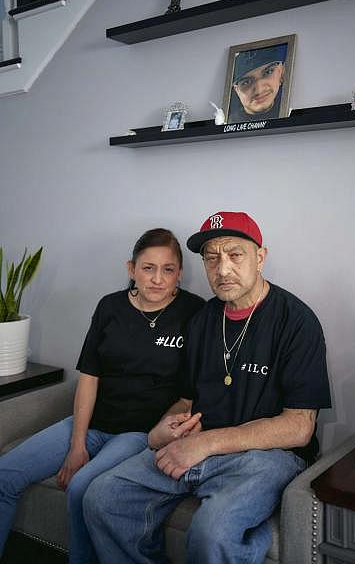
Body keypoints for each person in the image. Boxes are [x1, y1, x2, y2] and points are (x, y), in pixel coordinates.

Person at [83, 211, 332, 564]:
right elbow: (185, 399)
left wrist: (207, 443)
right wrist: (163, 429)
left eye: (235, 254)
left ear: (260, 257)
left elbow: (299, 427)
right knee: (103, 497)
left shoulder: (296, 320)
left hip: (266, 457)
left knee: (212, 531)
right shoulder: (202, 320)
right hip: (198, 448)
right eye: (211, 257)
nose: (223, 268)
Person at [0, 228, 204, 564]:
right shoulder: (110, 306)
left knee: (82, 489)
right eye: (147, 268)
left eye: (168, 269)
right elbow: (89, 378)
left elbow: (189, 395)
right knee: (5, 474)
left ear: (179, 273)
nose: (157, 279)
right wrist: (77, 444)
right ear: (131, 269)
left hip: (141, 433)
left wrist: (158, 434)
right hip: (93, 423)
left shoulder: (194, 313)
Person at [228, 44, 287, 123]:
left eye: (268, 72)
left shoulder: (290, 111)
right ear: (236, 90)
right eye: (246, 82)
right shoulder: (227, 121)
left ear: (281, 72)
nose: (259, 90)